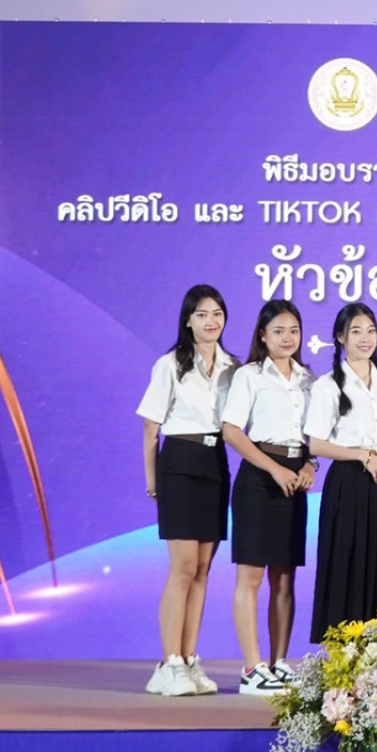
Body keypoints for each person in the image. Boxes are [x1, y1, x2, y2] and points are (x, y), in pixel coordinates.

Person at [137, 284, 238, 696]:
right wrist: (153, 481)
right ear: (187, 320)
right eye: (202, 314)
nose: (211, 321)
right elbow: (151, 428)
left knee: (203, 569)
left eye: (217, 313)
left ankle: (190, 659)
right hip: (179, 462)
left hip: (215, 463)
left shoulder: (234, 367)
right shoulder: (170, 365)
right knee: (182, 566)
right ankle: (169, 663)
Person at [221, 299, 315, 696]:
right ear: (262, 335)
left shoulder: (309, 379)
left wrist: (310, 466)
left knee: (285, 576)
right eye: (278, 331)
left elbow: (315, 435)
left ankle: (278, 663)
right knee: (251, 575)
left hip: (296, 478)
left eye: (294, 330)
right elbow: (231, 430)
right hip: (260, 478)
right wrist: (274, 469)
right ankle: (251, 667)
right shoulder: (249, 375)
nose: (287, 338)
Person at [305, 303, 377, 642]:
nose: (365, 338)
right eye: (356, 331)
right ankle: (344, 652)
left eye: (371, 331)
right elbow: (316, 443)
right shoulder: (328, 385)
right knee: (347, 563)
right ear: (340, 337)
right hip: (348, 483)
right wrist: (361, 456)